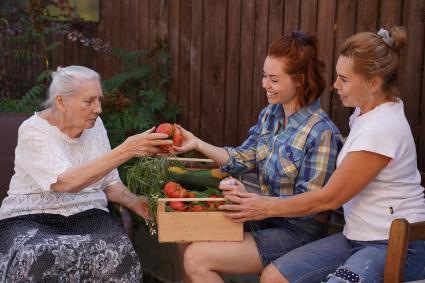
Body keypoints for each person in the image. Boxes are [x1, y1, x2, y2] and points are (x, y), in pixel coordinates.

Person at [221, 26, 425, 283]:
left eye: (345, 79)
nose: (335, 85)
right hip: (358, 237)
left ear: (374, 82)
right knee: (273, 278)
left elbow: (329, 199)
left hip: (396, 246)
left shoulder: (382, 128)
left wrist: (263, 206)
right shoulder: (367, 112)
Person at [173, 31, 343, 283]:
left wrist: (258, 202)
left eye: (274, 79)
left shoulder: (321, 132)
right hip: (261, 216)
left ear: (300, 80)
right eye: (264, 76)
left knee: (197, 258)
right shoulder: (270, 115)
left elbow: (311, 205)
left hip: (296, 231)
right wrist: (197, 143)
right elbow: (242, 157)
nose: (265, 84)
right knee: (184, 231)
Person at [0, 66, 172, 282]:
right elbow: (65, 182)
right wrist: (127, 149)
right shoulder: (33, 130)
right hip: (31, 217)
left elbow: (109, 184)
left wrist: (138, 203)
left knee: (119, 252)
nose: (98, 109)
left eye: (99, 100)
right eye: (89, 101)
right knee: (37, 254)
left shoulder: (95, 125)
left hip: (87, 213)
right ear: (61, 102)